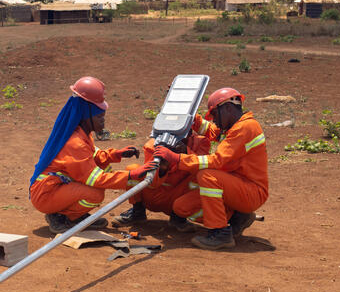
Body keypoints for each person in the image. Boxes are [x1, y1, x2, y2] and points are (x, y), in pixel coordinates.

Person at [29, 76, 153, 234]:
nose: (103, 121)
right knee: (95, 194)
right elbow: (96, 179)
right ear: (86, 115)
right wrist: (132, 175)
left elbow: (94, 156)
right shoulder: (75, 143)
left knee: (104, 167)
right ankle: (63, 218)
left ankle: (75, 215)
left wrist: (117, 154)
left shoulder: (81, 134)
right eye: (100, 117)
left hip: (54, 188)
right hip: (46, 195)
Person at [154, 87, 268, 250]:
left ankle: (220, 233)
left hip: (251, 191)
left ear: (227, 108)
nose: (214, 120)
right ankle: (237, 217)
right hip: (236, 187)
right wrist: (187, 112)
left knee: (207, 176)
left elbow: (218, 160)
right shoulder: (234, 127)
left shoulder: (246, 127)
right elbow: (210, 130)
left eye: (214, 114)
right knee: (181, 207)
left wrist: (178, 158)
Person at [116, 131, 208, 228]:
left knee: (204, 175)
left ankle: (178, 218)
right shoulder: (153, 144)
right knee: (133, 170)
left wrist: (185, 152)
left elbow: (202, 165)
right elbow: (151, 181)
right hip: (153, 195)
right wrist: (162, 169)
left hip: (178, 198)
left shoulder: (201, 142)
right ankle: (138, 212)